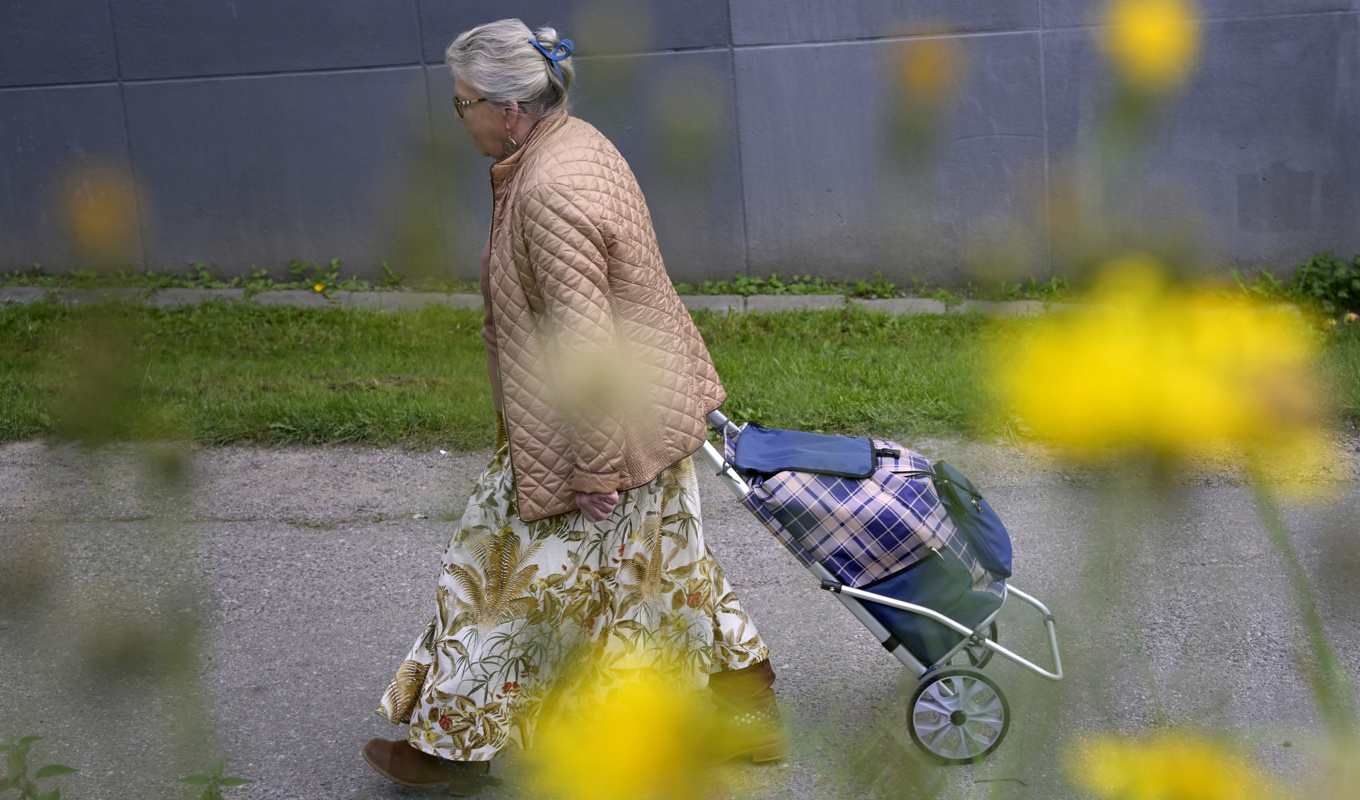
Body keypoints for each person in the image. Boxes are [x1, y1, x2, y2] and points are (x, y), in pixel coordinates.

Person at [362, 18, 782, 795]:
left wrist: (592, 468)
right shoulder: (574, 144)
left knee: (493, 579)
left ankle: (451, 750)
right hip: (641, 412)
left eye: (462, 104)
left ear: (507, 109)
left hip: (592, 435)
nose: (457, 118)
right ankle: (745, 707)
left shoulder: (548, 187)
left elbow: (584, 341)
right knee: (667, 569)